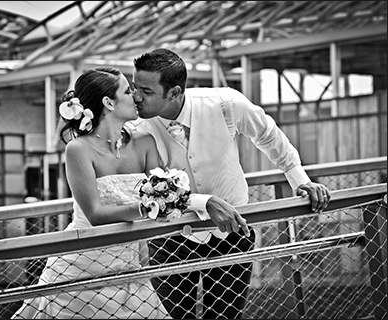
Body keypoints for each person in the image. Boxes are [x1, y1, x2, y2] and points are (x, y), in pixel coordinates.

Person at [128, 48, 331, 319]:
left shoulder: (225, 103)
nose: (136, 97)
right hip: (169, 239)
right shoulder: (134, 127)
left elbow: (269, 135)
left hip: (233, 232)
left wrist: (298, 178)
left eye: (146, 91)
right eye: (134, 87)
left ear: (174, 93)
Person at [12, 66, 172, 319]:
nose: (137, 97)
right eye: (129, 91)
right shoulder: (78, 149)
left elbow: (166, 191)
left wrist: (175, 197)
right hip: (80, 267)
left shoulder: (144, 142)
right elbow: (95, 214)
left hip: (129, 266)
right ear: (108, 102)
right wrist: (148, 209)